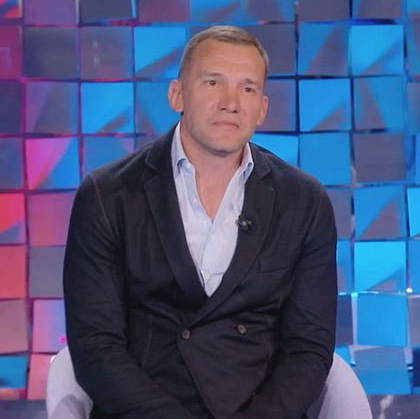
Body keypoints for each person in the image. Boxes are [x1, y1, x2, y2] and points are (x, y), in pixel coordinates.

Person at [63, 25, 338, 419]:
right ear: (177, 94)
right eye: (212, 82)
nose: (230, 103)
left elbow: (308, 349)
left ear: (262, 108)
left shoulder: (304, 202)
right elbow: (96, 346)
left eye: (247, 89)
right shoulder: (108, 196)